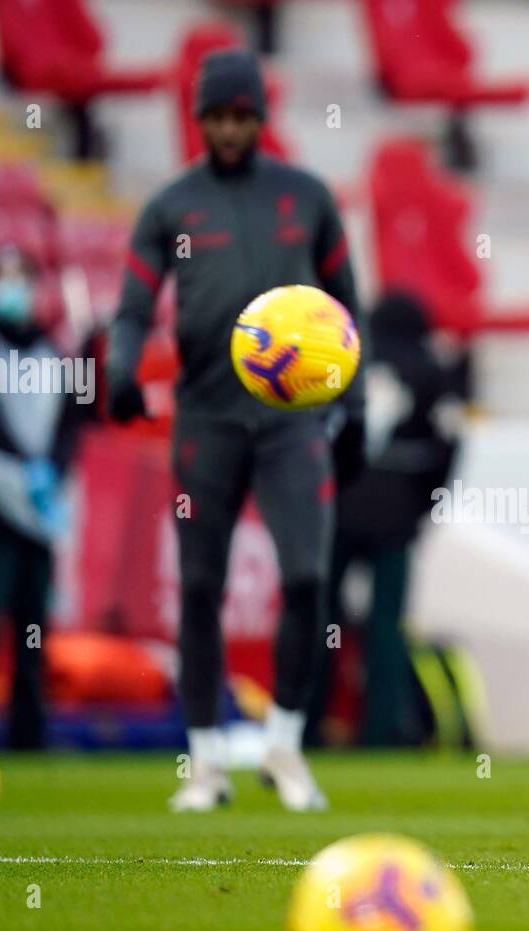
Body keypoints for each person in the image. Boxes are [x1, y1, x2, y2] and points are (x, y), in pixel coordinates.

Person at [107, 49, 364, 812]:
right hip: (207, 420)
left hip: (293, 423)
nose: (227, 128)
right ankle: (205, 760)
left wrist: (356, 408)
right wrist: (122, 368)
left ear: (259, 116)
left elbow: (347, 308)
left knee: (307, 577)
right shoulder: (172, 207)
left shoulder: (307, 197)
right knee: (197, 585)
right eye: (215, 116)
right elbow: (132, 306)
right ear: (199, 121)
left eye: (239, 115)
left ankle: (283, 745)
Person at [0, 244, 87, 750]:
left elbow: (74, 419)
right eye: (1, 277)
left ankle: (29, 733)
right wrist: (22, 468)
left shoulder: (53, 350)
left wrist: (51, 468)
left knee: (33, 630)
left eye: (20, 278)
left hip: (39, 513)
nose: (12, 289)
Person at [310, 291, 464, 747]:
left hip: (337, 510)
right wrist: (423, 508)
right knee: (387, 624)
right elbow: (448, 447)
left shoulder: (343, 361)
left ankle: (307, 724)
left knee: (322, 622)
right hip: (396, 516)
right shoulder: (433, 370)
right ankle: (381, 729)